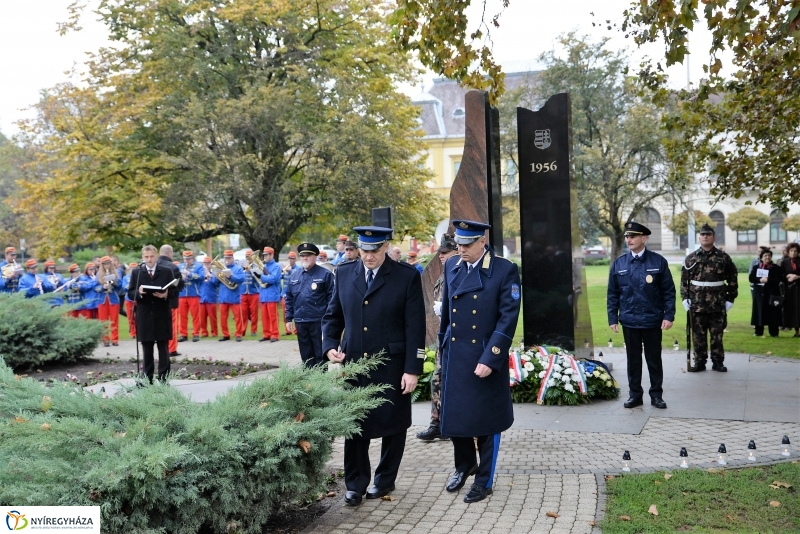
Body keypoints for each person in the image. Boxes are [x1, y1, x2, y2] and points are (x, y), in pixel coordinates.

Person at [322, 226, 425, 506]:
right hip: (355, 364)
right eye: (364, 250)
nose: (368, 256)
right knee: (355, 426)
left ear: (385, 247)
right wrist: (330, 345)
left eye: (374, 250)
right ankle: (355, 484)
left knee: (394, 425)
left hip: (392, 364)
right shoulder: (344, 273)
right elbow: (333, 316)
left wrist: (412, 368)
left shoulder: (406, 276)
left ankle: (385, 479)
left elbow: (415, 326)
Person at [437, 220, 521, 504]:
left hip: (484, 357)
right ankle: (464, 466)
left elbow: (507, 318)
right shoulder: (452, 265)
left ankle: (484, 481)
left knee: (486, 422)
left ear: (482, 241)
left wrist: (491, 357)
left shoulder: (504, 270)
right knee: (455, 418)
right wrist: (442, 346)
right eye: (458, 244)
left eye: (467, 244)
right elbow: (447, 312)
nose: (461, 249)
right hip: (455, 354)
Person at [607, 221, 675, 410]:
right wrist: (613, 317)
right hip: (629, 320)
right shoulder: (619, 263)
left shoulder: (658, 261)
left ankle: (656, 395)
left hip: (652, 320)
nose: (629, 239)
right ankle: (635, 395)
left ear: (644, 238)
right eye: (627, 236)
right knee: (633, 360)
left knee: (654, 360)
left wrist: (668, 315)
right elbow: (613, 293)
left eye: (633, 236)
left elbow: (668, 291)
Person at [680, 223, 738, 372]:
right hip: (697, 303)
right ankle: (699, 362)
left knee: (717, 334)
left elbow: (732, 277)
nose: (705, 237)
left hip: (717, 302)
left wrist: (730, 298)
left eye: (708, 234)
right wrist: (685, 298)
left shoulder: (723, 257)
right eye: (703, 234)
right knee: (698, 335)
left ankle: (718, 362)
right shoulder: (691, 258)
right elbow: (684, 281)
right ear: (699, 238)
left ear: (714, 237)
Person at [417, 233, 459, 442]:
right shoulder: (444, 274)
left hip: (459, 338)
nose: (441, 256)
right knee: (438, 380)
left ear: (457, 251)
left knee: (454, 382)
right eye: (440, 252)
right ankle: (437, 423)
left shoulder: (462, 273)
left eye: (446, 252)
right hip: (444, 337)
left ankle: (454, 424)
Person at [128, 245, 181, 383]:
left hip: (162, 313)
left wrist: (166, 294)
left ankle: (164, 379)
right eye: (146, 257)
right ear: (142, 257)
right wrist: (139, 292)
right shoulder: (137, 272)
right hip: (145, 314)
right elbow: (130, 293)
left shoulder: (166, 271)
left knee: (163, 347)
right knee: (147, 347)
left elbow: (175, 292)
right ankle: (147, 378)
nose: (149, 259)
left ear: (156, 256)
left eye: (151, 256)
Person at [285, 243, 335, 365]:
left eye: (308, 255)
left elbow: (332, 298)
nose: (305, 258)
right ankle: (308, 377)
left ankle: (320, 377)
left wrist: (329, 318)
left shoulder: (325, 274)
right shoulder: (294, 275)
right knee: (306, 355)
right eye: (303, 256)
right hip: (301, 321)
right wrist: (289, 318)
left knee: (320, 354)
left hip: (318, 321)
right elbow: (289, 298)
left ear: (315, 256)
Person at [750, 248, 784, 337]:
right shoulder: (756, 267)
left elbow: (778, 279)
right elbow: (751, 278)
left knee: (773, 312)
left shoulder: (776, 268)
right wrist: (760, 279)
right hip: (759, 293)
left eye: (769, 255)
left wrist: (768, 280)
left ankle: (774, 332)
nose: (767, 257)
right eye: (765, 256)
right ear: (761, 257)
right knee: (759, 311)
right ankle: (758, 331)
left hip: (772, 292)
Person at [212, 249, 245, 341]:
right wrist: (217, 275)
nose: (227, 260)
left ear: (233, 258)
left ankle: (238, 334)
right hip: (223, 297)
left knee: (237, 318)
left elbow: (241, 279)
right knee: (223, 318)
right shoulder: (221, 269)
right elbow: (214, 283)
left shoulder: (238, 268)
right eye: (226, 258)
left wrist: (230, 276)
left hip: (234, 297)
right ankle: (225, 334)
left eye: (229, 258)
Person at [177, 251, 204, 342]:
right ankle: (183, 334)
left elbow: (201, 277)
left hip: (194, 294)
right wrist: (181, 278)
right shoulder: (180, 266)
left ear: (192, 258)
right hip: (182, 294)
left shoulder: (198, 266)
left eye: (188, 259)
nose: (187, 261)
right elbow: (175, 278)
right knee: (182, 316)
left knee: (195, 315)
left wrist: (190, 274)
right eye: (185, 259)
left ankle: (196, 333)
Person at [257, 247, 283, 342]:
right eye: (264, 255)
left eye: (266, 255)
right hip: (264, 295)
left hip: (272, 295)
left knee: (273, 316)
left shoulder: (276, 266)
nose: (264, 257)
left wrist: (261, 276)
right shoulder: (263, 266)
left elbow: (273, 279)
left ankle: (275, 335)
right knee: (264, 317)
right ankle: (266, 334)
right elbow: (259, 280)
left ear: (272, 255)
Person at [95, 256, 122, 347]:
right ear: (102, 265)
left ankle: (115, 339)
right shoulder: (98, 274)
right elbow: (95, 287)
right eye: (105, 264)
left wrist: (114, 282)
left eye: (108, 263)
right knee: (103, 321)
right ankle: (105, 340)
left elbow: (120, 285)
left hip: (113, 298)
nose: (107, 265)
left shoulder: (117, 272)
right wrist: (103, 287)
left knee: (114, 320)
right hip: (102, 299)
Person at [780, 243, 800, 337]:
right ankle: (797, 331)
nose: (793, 253)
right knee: (793, 309)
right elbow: (781, 275)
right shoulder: (784, 262)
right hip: (789, 290)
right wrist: (788, 275)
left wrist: (797, 277)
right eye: (791, 251)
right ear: (788, 252)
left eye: (795, 251)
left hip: (799, 287)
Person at [240, 249, 261, 337]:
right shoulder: (242, 267)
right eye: (247, 257)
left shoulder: (256, 266)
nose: (248, 259)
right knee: (243, 313)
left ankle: (253, 330)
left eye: (249, 257)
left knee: (254, 313)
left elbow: (258, 277)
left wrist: (251, 270)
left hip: (254, 292)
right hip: (243, 292)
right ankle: (243, 330)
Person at [281, 251, 302, 335]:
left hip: (295, 294)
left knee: (297, 312)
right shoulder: (286, 269)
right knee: (285, 312)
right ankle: (288, 330)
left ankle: (297, 330)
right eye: (289, 258)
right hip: (285, 293)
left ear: (295, 259)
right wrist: (282, 272)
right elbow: (280, 277)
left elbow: (297, 275)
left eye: (292, 259)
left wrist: (290, 271)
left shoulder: (298, 269)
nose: (290, 260)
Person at [198, 256, 219, 338]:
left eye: (208, 263)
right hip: (202, 298)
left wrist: (209, 275)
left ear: (211, 264)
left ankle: (214, 332)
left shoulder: (214, 273)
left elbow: (216, 283)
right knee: (202, 318)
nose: (206, 265)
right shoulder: (201, 274)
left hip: (211, 298)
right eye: (205, 263)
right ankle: (204, 332)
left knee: (213, 317)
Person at [121, 262, 139, 337]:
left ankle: (139, 331)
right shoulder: (126, 277)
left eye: (135, 268)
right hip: (129, 299)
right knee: (130, 316)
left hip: (138, 298)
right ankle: (132, 332)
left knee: (139, 316)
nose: (133, 270)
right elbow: (124, 287)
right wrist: (128, 286)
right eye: (132, 268)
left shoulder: (139, 276)